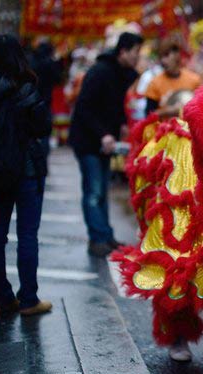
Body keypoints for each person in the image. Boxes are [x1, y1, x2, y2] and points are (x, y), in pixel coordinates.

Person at [0, 34, 52, 316]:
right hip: (26, 169)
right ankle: (28, 299)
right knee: (27, 235)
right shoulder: (28, 88)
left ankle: (2, 297)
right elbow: (42, 128)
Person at [69, 32, 143, 257]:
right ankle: (97, 239)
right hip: (88, 141)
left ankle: (105, 235)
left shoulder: (123, 74)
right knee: (93, 191)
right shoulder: (100, 71)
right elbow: (84, 107)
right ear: (123, 51)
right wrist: (103, 134)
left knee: (101, 190)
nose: (137, 58)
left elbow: (116, 105)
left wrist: (121, 124)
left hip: (104, 143)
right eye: (135, 53)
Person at [144, 37, 201, 118]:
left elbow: (201, 108)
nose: (163, 61)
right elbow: (148, 116)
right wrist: (168, 111)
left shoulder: (194, 80)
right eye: (161, 57)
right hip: (165, 129)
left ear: (177, 55)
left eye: (166, 55)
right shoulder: (154, 83)